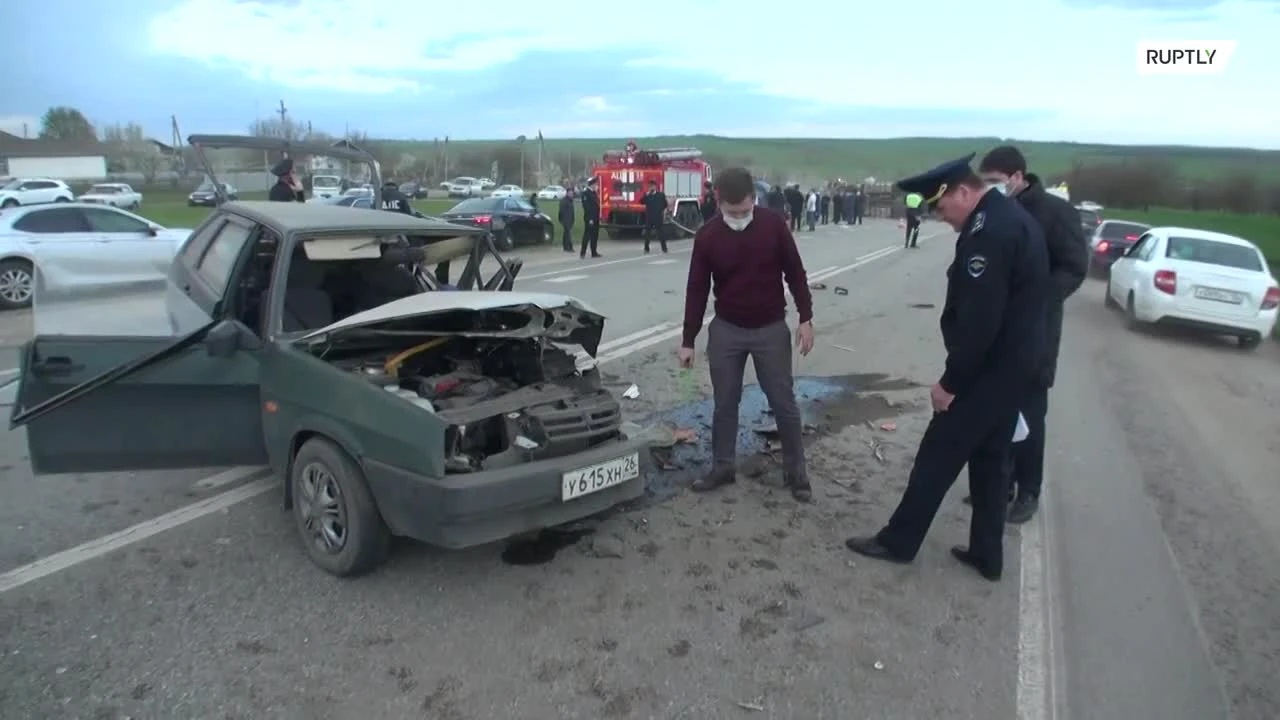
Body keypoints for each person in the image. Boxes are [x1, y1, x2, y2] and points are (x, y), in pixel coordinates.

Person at [843, 154, 1050, 582]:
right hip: (1014, 369)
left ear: (963, 192)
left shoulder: (989, 232)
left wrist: (950, 383)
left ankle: (898, 541)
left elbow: (980, 322)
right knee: (992, 461)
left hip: (987, 374)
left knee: (936, 456)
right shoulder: (1006, 217)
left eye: (942, 207)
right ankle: (987, 554)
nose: (941, 217)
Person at [678, 167, 816, 503]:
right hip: (727, 330)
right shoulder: (708, 237)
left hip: (770, 329)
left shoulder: (773, 227)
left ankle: (796, 473)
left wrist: (806, 317)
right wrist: (688, 340)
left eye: (745, 210)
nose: (739, 218)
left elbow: (795, 273)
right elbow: (696, 289)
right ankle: (722, 466)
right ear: (718, 201)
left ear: (755, 199)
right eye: (732, 212)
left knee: (783, 402)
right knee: (725, 403)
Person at [975, 145, 1089, 524]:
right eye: (984, 182)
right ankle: (998, 485)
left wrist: (1034, 295)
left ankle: (1028, 490)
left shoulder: (1055, 213)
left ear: (1018, 177)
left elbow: (1075, 267)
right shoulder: (989, 212)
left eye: (996, 181)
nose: (989, 188)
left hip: (1035, 331)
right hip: (995, 330)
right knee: (993, 412)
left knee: (1028, 415)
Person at [641, 180, 669, 254]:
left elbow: (665, 204)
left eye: (652, 186)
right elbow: (641, 202)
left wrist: (663, 211)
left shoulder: (660, 195)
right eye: (650, 186)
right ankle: (646, 248)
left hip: (658, 217)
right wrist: (646, 195)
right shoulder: (647, 195)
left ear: (655, 186)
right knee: (647, 234)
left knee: (661, 234)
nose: (651, 187)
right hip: (649, 217)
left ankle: (664, 248)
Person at [580, 177, 601, 259]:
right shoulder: (586, 193)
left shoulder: (594, 193)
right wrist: (590, 219)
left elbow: (596, 206)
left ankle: (594, 252)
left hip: (596, 217)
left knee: (595, 235)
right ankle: (583, 252)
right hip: (589, 218)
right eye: (595, 184)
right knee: (587, 235)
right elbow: (587, 207)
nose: (596, 185)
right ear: (592, 184)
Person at [558, 187, 576, 252]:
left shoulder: (570, 201)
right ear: (567, 193)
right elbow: (562, 211)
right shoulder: (564, 201)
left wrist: (572, 219)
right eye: (571, 193)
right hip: (565, 219)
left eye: (572, 193)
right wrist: (564, 220)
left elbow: (572, 211)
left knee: (566, 233)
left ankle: (565, 247)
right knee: (568, 233)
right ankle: (569, 247)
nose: (572, 195)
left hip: (570, 219)